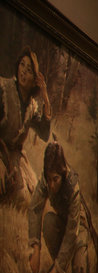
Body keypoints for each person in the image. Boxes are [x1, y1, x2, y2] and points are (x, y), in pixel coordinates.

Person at [28, 142, 93, 273]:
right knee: (49, 222)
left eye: (55, 179)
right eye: (48, 179)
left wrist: (55, 270)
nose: (51, 185)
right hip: (62, 223)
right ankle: (58, 270)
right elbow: (35, 209)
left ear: (62, 174)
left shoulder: (72, 187)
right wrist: (35, 247)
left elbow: (71, 233)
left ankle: (76, 262)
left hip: (78, 229)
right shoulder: (46, 179)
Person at [1, 47, 52, 209]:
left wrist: (45, 97)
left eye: (29, 70)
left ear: (34, 80)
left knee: (29, 200)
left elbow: (44, 133)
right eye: (22, 65)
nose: (23, 71)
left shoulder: (31, 106)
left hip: (14, 157)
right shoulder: (4, 90)